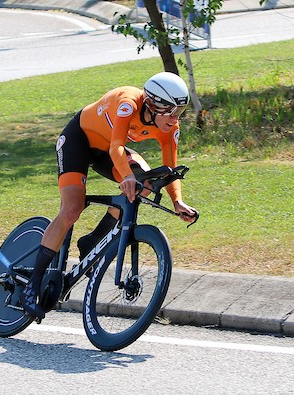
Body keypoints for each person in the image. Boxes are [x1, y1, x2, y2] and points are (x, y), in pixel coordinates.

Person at [19, 71, 198, 319]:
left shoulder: (170, 128)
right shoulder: (128, 102)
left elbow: (169, 169)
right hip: (79, 140)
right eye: (171, 112)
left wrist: (177, 201)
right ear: (154, 105)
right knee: (72, 209)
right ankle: (31, 285)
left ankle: (93, 240)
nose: (175, 119)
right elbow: (116, 147)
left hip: (108, 150)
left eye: (179, 112)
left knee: (145, 182)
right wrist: (125, 176)